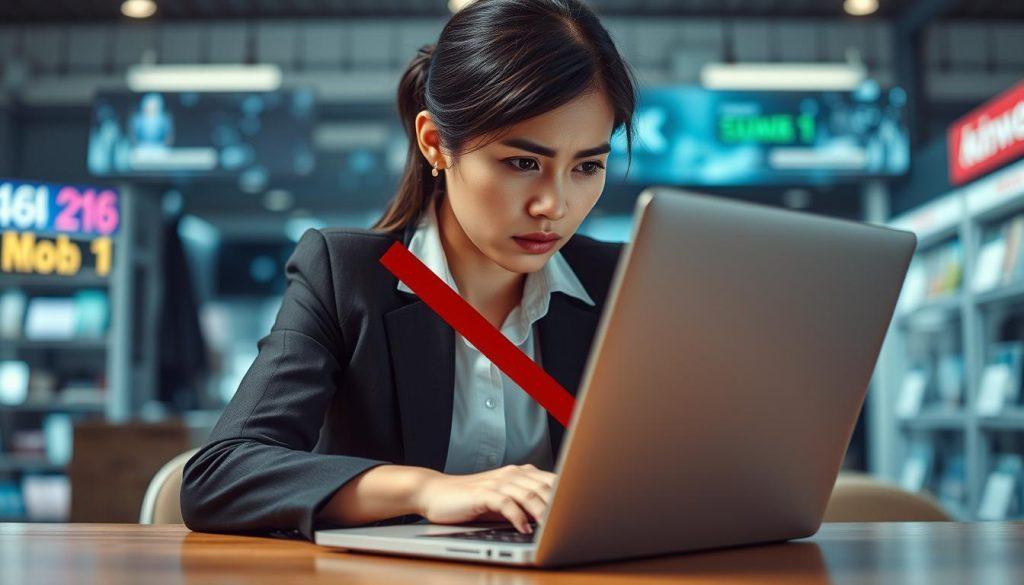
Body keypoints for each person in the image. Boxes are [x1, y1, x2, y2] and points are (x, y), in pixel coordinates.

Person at [180, 0, 638, 541]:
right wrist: (426, 490)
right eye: (523, 163)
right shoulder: (346, 278)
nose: (554, 205)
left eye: (587, 166)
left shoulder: (622, 283)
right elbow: (220, 474)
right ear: (435, 144)